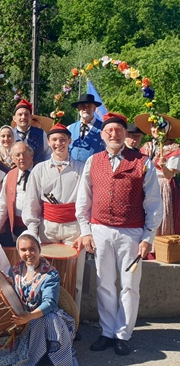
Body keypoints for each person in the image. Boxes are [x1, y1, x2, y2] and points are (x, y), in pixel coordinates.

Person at [76, 112, 162, 356]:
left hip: (132, 232)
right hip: (100, 230)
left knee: (129, 286)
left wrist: (148, 237)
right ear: (103, 134)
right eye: (109, 130)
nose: (114, 134)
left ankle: (123, 334)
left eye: (119, 130)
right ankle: (106, 332)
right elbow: (84, 200)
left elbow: (154, 204)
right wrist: (85, 231)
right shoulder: (93, 161)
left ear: (125, 134)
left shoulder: (143, 162)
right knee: (104, 284)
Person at [0, 231, 78, 366]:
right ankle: (38, 355)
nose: (28, 253)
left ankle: (57, 358)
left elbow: (50, 303)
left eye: (32, 249)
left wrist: (30, 316)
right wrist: (8, 284)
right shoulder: (15, 270)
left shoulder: (50, 274)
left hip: (47, 319)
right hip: (24, 319)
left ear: (39, 250)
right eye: (23, 250)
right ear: (18, 251)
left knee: (45, 319)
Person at [22, 124, 85, 310]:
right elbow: (31, 202)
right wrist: (33, 232)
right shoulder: (39, 169)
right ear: (49, 143)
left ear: (69, 141)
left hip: (74, 228)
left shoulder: (82, 168)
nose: (59, 143)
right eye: (55, 140)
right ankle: (44, 316)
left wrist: (85, 231)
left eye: (63, 139)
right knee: (45, 274)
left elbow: (88, 202)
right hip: (47, 228)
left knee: (75, 276)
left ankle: (73, 318)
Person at [136, 113, 180, 236]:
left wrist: (163, 166)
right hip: (145, 184)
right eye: (153, 127)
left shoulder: (173, 148)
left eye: (159, 127)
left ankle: (160, 247)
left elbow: (170, 175)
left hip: (162, 185)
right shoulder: (147, 147)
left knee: (160, 215)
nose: (156, 130)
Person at [0, 142, 33, 247]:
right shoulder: (10, 175)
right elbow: (3, 204)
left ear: (31, 154)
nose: (21, 158)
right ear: (12, 158)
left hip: (37, 227)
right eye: (17, 155)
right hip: (16, 227)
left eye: (25, 153)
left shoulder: (40, 172)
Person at [68, 94, 105, 163]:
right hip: (73, 170)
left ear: (94, 108)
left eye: (89, 106)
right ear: (78, 109)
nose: (86, 109)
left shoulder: (104, 128)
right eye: (82, 106)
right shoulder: (69, 128)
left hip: (94, 170)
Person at [12, 99, 50, 163]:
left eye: (26, 114)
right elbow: (3, 153)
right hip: (17, 172)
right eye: (20, 114)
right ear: (14, 118)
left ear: (31, 117)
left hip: (38, 172)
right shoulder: (10, 134)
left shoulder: (41, 133)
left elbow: (48, 154)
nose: (23, 117)